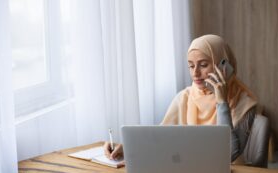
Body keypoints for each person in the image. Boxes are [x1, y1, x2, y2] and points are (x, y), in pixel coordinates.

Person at [104, 34, 257, 164]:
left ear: (224, 66)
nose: (195, 73)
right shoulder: (184, 97)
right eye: (191, 66)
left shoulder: (245, 103)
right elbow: (160, 139)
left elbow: (228, 155)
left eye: (203, 65)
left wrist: (222, 102)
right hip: (189, 172)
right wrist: (127, 147)